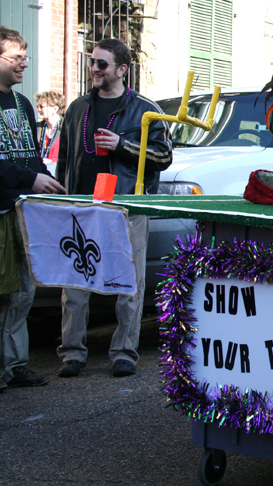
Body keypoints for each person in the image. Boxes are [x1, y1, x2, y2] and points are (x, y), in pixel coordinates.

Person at [55, 38, 172, 378]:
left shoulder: (145, 109)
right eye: (92, 62)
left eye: (102, 64)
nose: (94, 68)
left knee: (128, 283)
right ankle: (72, 353)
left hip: (127, 206)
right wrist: (63, 199)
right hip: (82, 205)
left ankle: (124, 353)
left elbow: (164, 156)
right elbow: (65, 159)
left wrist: (123, 145)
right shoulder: (78, 108)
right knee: (74, 284)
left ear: (121, 69)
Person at [0, 26, 66, 392]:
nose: (24, 63)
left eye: (25, 56)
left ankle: (14, 367)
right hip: (2, 212)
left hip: (24, 211)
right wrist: (30, 178)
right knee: (2, 291)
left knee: (23, 293)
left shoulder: (23, 103)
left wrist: (49, 183)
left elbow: (31, 157)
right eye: (16, 57)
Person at [34, 90, 65, 165]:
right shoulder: (36, 128)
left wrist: (52, 161)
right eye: (37, 106)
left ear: (55, 109)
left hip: (58, 170)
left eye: (41, 106)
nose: (38, 109)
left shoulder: (66, 128)